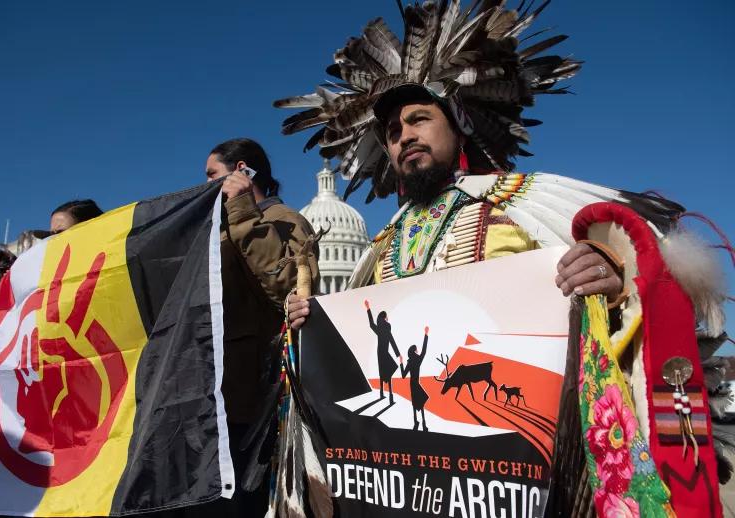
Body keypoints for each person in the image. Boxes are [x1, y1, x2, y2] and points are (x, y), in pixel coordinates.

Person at [276, 2, 729, 515]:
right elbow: (358, 345)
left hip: (521, 477)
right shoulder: (382, 247)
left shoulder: (525, 202)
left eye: (419, 119)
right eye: (394, 133)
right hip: (414, 483)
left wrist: (610, 277)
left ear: (459, 123)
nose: (404, 137)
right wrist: (312, 329)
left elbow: (639, 261)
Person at [183, 138, 319, 517]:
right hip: (216, 399)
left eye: (213, 174)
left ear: (241, 170)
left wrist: (242, 211)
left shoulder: (285, 220)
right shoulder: (219, 230)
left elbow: (288, 287)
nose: (206, 184)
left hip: (255, 402)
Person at [364, 299, 401, 404]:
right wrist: (398, 354)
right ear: (385, 318)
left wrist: (368, 309)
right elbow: (392, 340)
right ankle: (390, 396)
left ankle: (381, 393)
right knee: (388, 373)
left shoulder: (379, 329)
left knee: (382, 372)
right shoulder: (387, 328)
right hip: (385, 352)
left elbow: (371, 324)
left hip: (380, 352)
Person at [401, 326, 429, 431]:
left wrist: (401, 363)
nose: (418, 350)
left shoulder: (410, 362)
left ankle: (416, 421)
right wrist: (426, 334)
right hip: (417, 383)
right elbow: (424, 351)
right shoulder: (418, 360)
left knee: (415, 403)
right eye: (417, 349)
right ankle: (423, 422)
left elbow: (403, 375)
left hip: (412, 384)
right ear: (414, 351)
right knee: (421, 403)